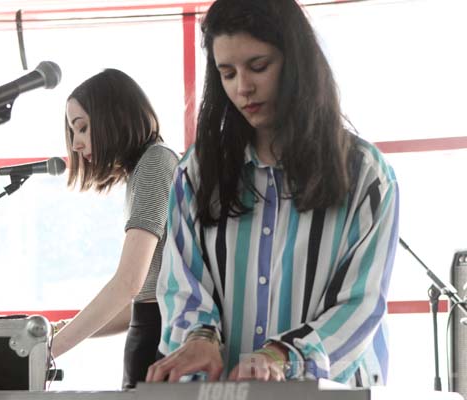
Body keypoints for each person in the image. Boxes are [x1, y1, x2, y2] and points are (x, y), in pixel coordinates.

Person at [146, 0, 399, 387]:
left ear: (296, 62)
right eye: (227, 73)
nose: (242, 87)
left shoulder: (366, 176)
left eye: (258, 67)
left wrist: (283, 355)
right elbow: (184, 285)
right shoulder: (196, 174)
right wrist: (199, 338)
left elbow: (359, 306)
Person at [52, 68, 179, 389]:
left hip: (160, 342)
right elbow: (136, 304)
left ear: (113, 115)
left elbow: (128, 283)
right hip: (148, 334)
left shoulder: (155, 162)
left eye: (81, 128)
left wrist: (51, 350)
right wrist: (62, 329)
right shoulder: (142, 170)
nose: (76, 144)